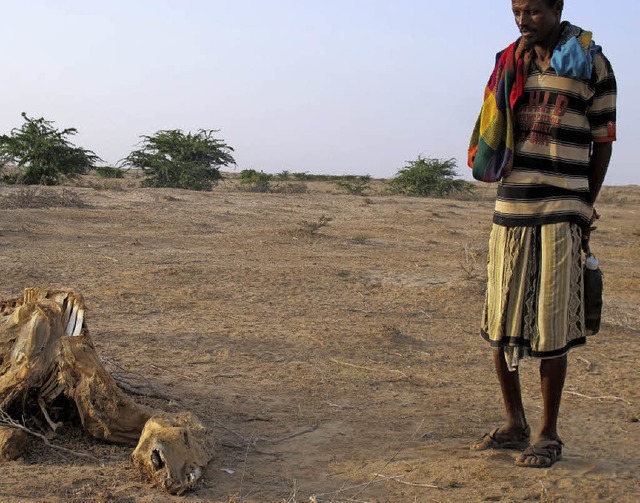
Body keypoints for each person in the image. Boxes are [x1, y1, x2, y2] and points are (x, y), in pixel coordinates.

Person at [467, 0, 617, 468]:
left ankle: (548, 435)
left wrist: (584, 204)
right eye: (516, 10)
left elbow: (603, 139)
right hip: (511, 206)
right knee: (500, 322)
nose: (522, 19)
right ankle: (515, 424)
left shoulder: (592, 62)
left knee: (553, 325)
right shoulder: (509, 61)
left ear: (556, 8)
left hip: (562, 208)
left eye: (532, 10)